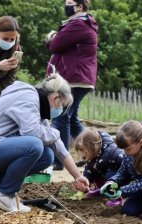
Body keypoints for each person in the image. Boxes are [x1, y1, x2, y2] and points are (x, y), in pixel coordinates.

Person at [0, 73, 89, 213]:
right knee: (34, 145)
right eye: (62, 105)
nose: (60, 110)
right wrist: (56, 133)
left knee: (47, 156)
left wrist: (78, 176)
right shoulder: (27, 98)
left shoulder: (38, 109)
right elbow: (32, 133)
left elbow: (58, 148)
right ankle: (4, 195)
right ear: (55, 98)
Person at [45, 0, 98, 170]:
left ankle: (59, 160)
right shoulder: (83, 24)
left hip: (73, 78)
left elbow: (56, 45)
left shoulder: (78, 24)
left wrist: (51, 36)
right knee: (72, 118)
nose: (66, 5)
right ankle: (94, 153)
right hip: (79, 77)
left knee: (61, 117)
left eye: (70, 2)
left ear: (79, 7)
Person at [99, 120, 142, 219]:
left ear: (141, 142)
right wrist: (111, 182)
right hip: (140, 189)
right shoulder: (129, 154)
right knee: (128, 210)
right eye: (123, 149)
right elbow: (122, 173)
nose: (125, 152)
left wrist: (121, 191)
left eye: (127, 149)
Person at [74, 128, 124, 197]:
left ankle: (115, 194)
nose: (83, 155)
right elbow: (88, 171)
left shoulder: (112, 151)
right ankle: (101, 190)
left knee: (109, 175)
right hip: (104, 175)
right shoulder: (92, 156)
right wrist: (86, 183)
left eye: (84, 151)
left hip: (117, 177)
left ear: (92, 147)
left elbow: (124, 162)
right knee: (94, 172)